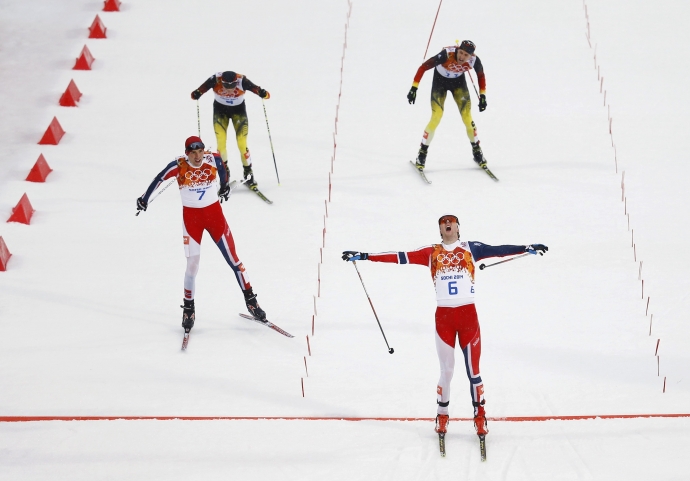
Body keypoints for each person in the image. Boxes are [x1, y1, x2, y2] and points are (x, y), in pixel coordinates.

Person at [342, 214, 547, 438]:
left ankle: (480, 416)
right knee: (446, 371)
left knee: (474, 372)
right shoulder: (431, 252)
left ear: (458, 228)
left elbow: (499, 250)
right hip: (444, 319)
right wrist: (365, 256)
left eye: (452, 222)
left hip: (468, 318)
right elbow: (400, 257)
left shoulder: (471, 248)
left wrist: (526, 248)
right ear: (440, 230)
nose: (448, 224)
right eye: (443, 223)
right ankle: (442, 415)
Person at [136, 136, 267, 335]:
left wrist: (224, 186)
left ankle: (251, 302)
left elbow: (222, 169)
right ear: (187, 153)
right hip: (192, 222)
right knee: (192, 265)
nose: (198, 157)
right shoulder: (178, 166)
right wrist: (144, 199)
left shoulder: (212, 159)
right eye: (193, 153)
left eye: (200, 152)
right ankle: (188, 310)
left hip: (215, 219)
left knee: (234, 260)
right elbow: (159, 178)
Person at [407, 40, 488, 171]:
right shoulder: (446, 54)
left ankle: (477, 151)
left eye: (466, 55)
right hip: (440, 83)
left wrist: (483, 96)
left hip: (458, 84)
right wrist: (414, 88)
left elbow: (481, 76)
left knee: (467, 117)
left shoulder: (474, 60)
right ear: (457, 50)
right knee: (436, 116)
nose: (462, 57)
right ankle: (422, 153)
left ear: (471, 56)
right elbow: (423, 67)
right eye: (460, 53)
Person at [191, 71, 270, 188]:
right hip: (220, 112)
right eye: (226, 86)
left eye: (232, 85)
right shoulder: (215, 79)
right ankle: (225, 173)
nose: (229, 89)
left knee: (242, 143)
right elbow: (197, 92)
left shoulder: (242, 80)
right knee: (221, 143)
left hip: (238, 112)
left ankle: (248, 171)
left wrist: (262, 93)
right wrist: (197, 93)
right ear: (221, 82)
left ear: (236, 82)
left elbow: (264, 93)